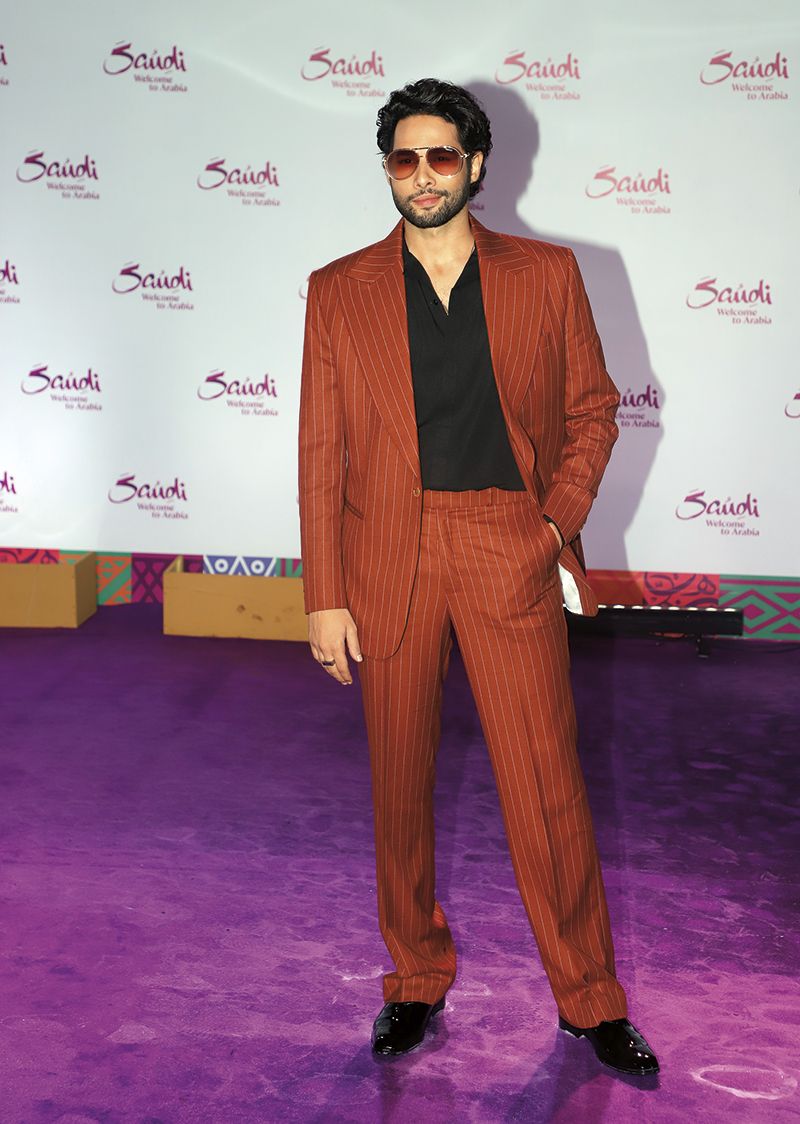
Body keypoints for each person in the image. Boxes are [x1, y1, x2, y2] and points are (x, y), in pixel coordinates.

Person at [297, 78, 658, 1077]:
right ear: (388, 170)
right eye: (403, 158)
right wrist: (323, 594)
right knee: (399, 784)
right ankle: (413, 979)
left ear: (476, 164)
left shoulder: (546, 273)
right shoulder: (337, 288)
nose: (422, 176)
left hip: (507, 539)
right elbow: (320, 449)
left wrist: (549, 525)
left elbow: (592, 411)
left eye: (440, 156)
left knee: (546, 784)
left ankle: (589, 998)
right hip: (387, 555)